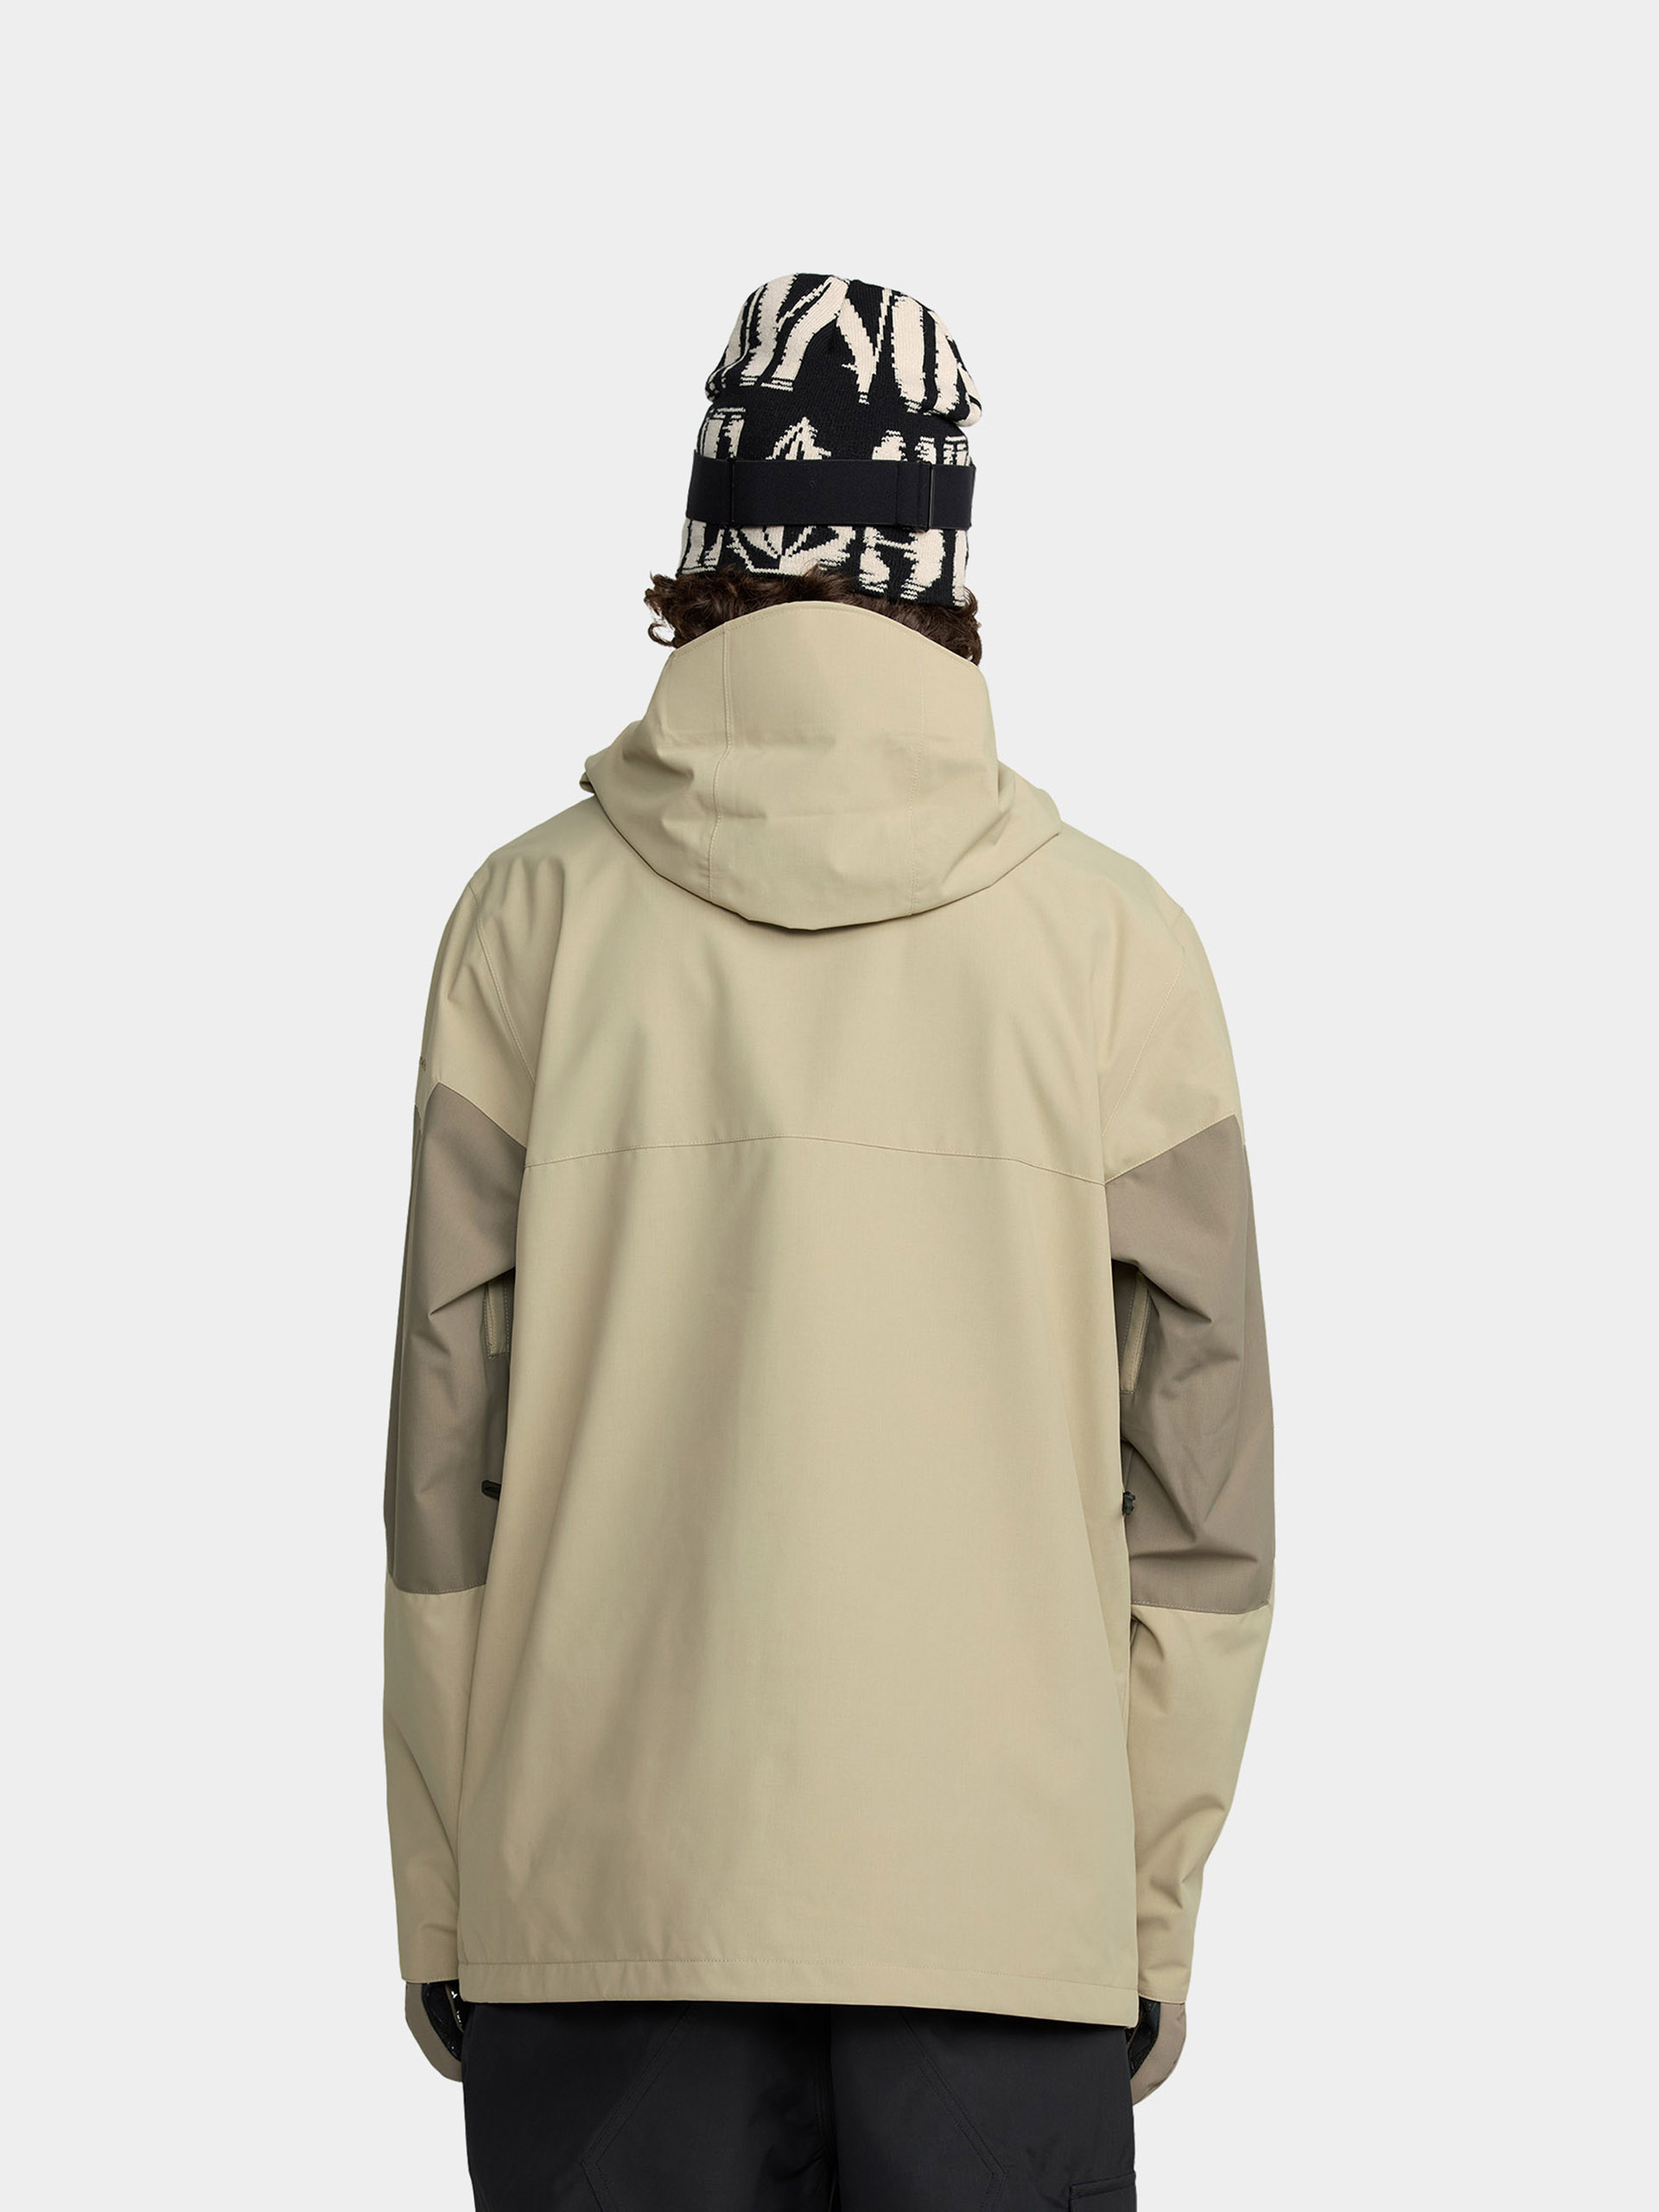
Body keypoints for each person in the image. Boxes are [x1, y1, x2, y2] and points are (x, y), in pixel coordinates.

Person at [384, 272, 1274, 2210]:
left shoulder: (527, 925)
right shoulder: (1115, 950)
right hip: (1001, 1923)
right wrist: (1135, 1905)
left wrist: (453, 1888)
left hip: (603, 1910)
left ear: (705, 538)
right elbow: (1206, 1511)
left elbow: (443, 1477)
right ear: (945, 557)